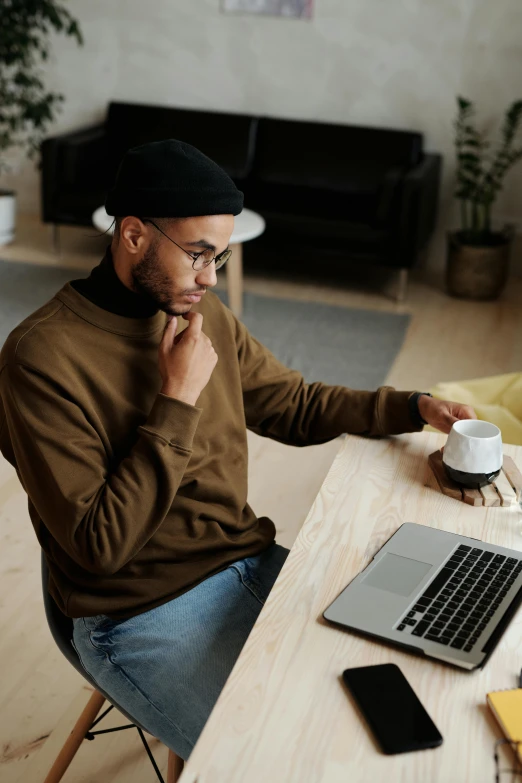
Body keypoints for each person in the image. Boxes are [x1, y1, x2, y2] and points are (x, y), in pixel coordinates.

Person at [0, 139, 476, 760]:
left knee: (398, 703)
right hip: (137, 611)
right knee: (271, 761)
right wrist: (177, 397)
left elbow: (294, 404)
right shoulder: (39, 359)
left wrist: (409, 407)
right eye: (198, 254)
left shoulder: (203, 314)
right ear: (135, 235)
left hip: (247, 559)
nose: (211, 277)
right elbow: (99, 545)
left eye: (219, 256)